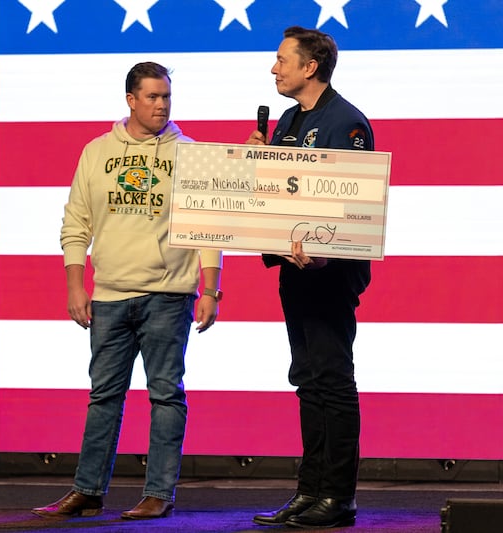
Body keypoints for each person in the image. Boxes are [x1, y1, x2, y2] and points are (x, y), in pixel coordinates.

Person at [31, 62, 223, 521]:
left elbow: (208, 226)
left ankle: (159, 493)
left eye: (166, 97)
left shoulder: (189, 153)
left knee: (165, 394)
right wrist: (76, 285)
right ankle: (88, 491)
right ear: (131, 100)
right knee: (103, 397)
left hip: (167, 293)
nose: (161, 105)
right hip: (110, 295)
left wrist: (211, 288)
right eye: (152, 97)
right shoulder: (96, 152)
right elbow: (76, 223)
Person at [246, 26, 373, 529]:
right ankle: (309, 491)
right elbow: (279, 201)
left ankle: (337, 497)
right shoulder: (288, 120)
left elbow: (355, 204)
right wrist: (252, 162)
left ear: (309, 67)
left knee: (332, 379)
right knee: (307, 380)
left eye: (281, 60)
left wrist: (326, 254)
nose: (273, 69)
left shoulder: (346, 122)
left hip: (329, 275)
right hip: (294, 271)